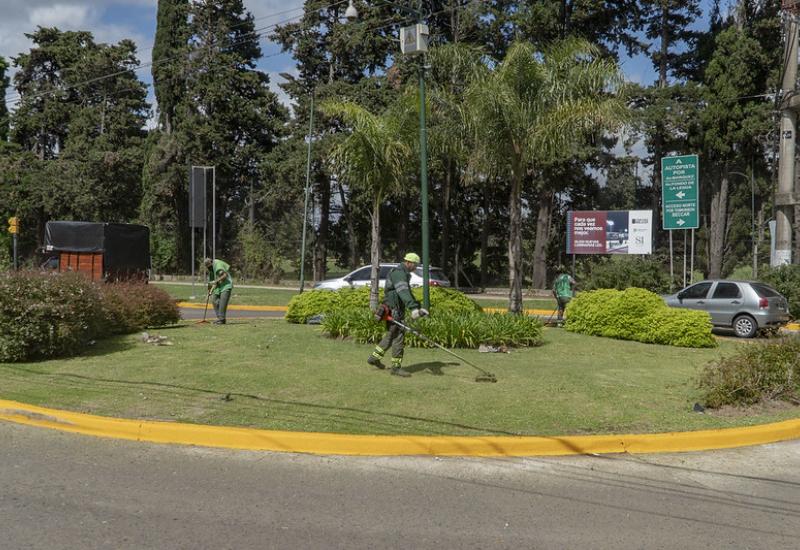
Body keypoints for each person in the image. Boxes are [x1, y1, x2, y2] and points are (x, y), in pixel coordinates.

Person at [367, 252, 429, 377]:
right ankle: (395, 368)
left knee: (390, 336)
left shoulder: (401, 273)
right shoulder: (399, 274)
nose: (416, 268)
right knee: (398, 338)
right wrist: (413, 309)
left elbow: (407, 293)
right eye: (415, 265)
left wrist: (416, 307)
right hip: (394, 310)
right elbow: (403, 291)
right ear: (409, 263)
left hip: (391, 309)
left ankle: (374, 358)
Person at [204, 257, 233, 325]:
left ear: (211, 262)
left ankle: (221, 319)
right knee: (214, 300)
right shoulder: (211, 269)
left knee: (222, 303)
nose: (209, 268)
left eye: (209, 266)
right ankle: (220, 318)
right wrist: (209, 291)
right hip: (219, 287)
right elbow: (211, 282)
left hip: (226, 285)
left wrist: (216, 281)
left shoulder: (217, 264)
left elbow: (225, 275)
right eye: (207, 267)